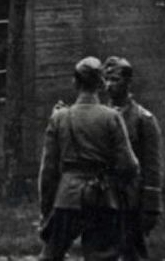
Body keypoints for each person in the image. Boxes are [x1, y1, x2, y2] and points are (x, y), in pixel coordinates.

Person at [38, 57, 140, 261]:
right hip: (103, 197)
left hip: (67, 197)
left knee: (51, 255)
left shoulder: (59, 117)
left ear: (75, 82)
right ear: (101, 84)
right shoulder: (112, 117)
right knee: (101, 256)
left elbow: (48, 171)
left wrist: (47, 209)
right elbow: (129, 165)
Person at [103, 56, 163, 261]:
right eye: (106, 79)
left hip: (131, 199)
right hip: (103, 197)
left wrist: (151, 206)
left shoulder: (143, 119)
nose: (109, 85)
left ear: (128, 82)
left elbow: (152, 165)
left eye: (115, 80)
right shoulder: (100, 117)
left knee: (133, 253)